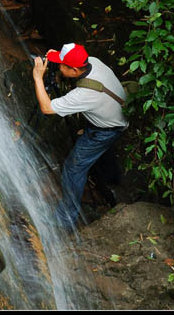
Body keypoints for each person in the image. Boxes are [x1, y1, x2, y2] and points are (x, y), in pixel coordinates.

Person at [33, 42, 128, 232]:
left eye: (61, 65)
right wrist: (55, 56)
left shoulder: (84, 95)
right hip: (115, 117)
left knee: (73, 168)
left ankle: (66, 218)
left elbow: (46, 108)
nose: (58, 67)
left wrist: (38, 78)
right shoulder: (93, 61)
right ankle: (112, 179)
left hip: (104, 130)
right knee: (103, 152)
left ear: (75, 70)